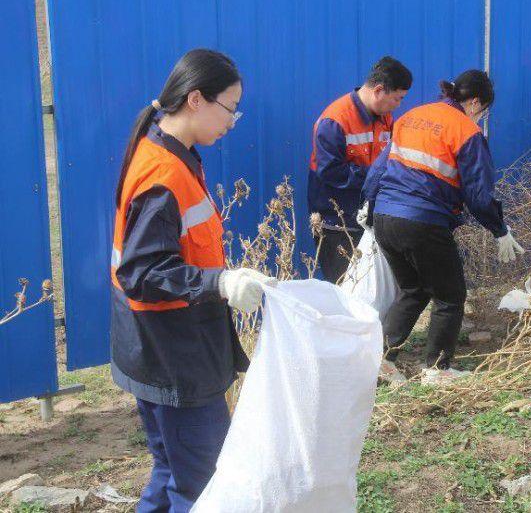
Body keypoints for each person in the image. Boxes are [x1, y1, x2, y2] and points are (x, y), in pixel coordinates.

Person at [110, 49, 275, 512]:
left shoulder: (169, 150)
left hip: (157, 346)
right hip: (172, 352)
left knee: (171, 473)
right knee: (202, 484)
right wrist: (218, 283)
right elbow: (141, 272)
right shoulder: (163, 173)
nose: (233, 120)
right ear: (197, 100)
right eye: (230, 108)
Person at [361, 70, 524, 384]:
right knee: (450, 295)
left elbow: (381, 166)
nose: (482, 117)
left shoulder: (412, 116)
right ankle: (437, 369)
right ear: (474, 102)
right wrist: (499, 228)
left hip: (385, 217)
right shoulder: (465, 131)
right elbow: (478, 194)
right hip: (424, 221)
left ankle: (380, 360)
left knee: (414, 289)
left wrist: (369, 205)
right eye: (484, 111)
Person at [307, 56, 412, 283]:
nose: (398, 105)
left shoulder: (385, 118)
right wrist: (376, 177)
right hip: (336, 223)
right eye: (397, 98)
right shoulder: (335, 121)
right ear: (379, 90)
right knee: (345, 287)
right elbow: (331, 172)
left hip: (366, 218)